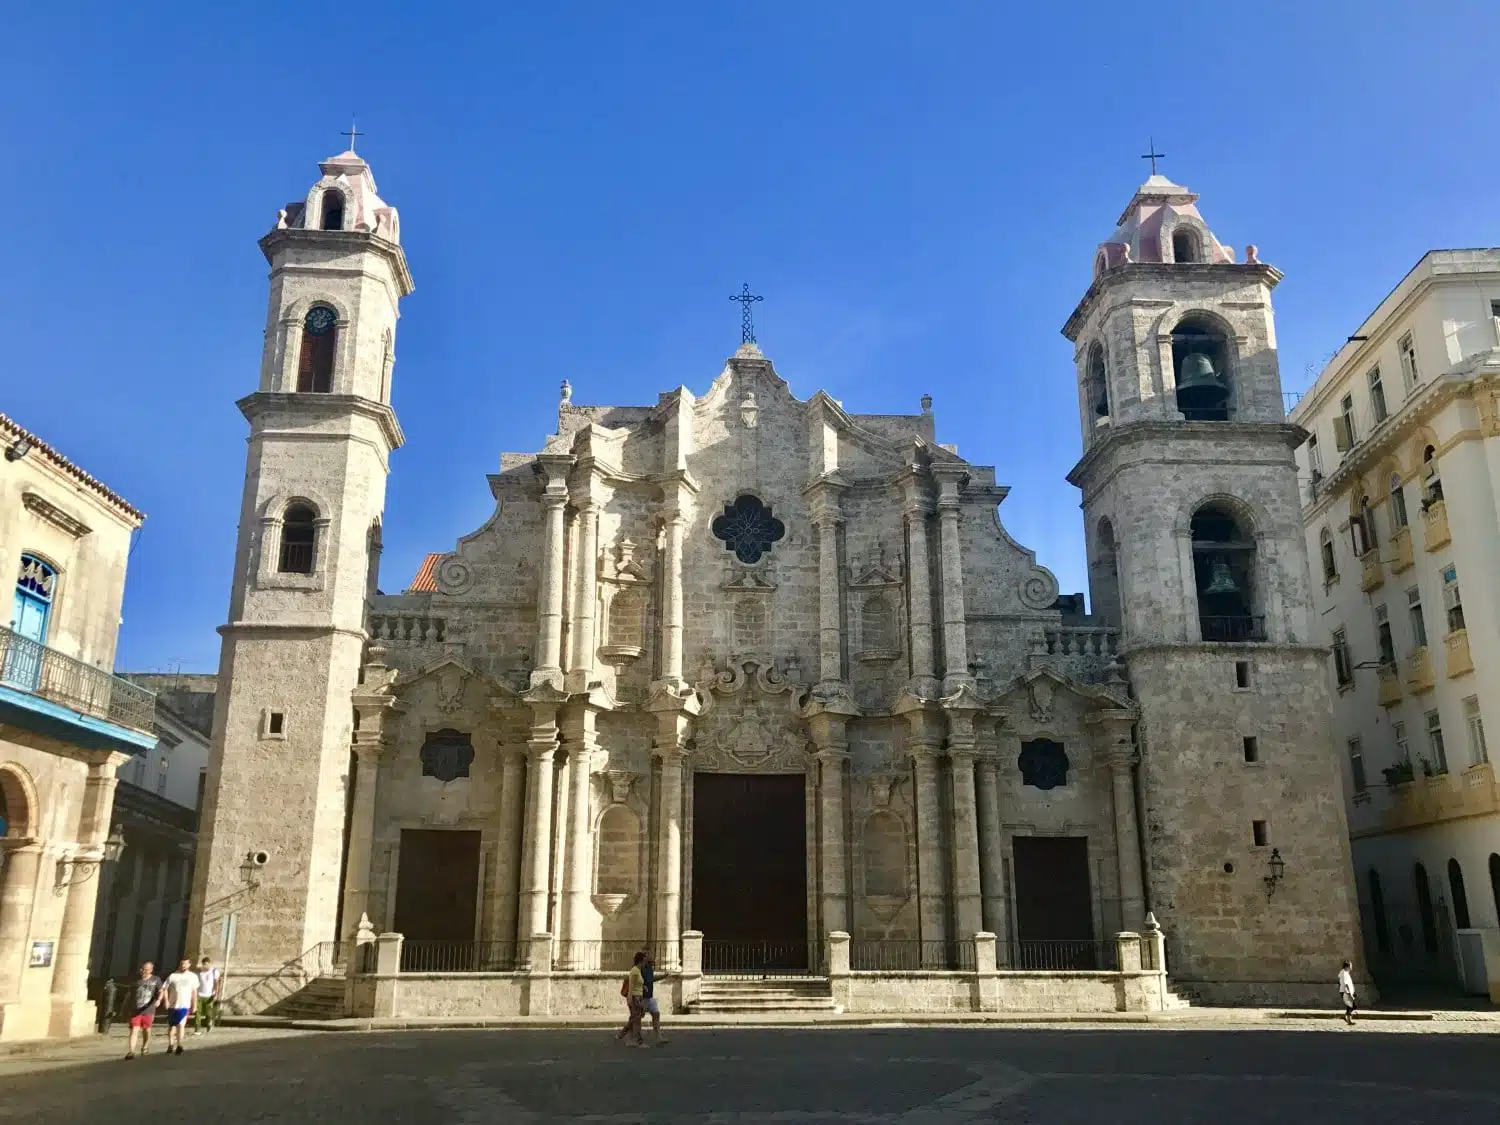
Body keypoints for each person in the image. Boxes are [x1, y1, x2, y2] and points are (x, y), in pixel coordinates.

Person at [125, 962, 164, 1060]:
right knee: (134, 1029)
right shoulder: (136, 980)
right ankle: (131, 1051)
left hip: (148, 1009)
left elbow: (161, 991)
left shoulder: (156, 980)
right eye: (142, 969)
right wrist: (126, 1008)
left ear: (151, 970)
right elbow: (129, 995)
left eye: (145, 969)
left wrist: (159, 1000)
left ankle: (145, 1045)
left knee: (146, 1029)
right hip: (136, 1010)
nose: (143, 971)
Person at [164, 958, 200, 1055]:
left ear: (189, 965)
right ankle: (171, 1044)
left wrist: (194, 1005)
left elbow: (194, 992)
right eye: (181, 963)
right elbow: (164, 989)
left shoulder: (193, 977)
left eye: (185, 964)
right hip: (173, 1005)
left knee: (181, 1025)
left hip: (185, 1004)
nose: (183, 965)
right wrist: (166, 1001)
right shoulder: (173, 976)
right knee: (172, 1026)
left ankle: (179, 1045)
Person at [614, 951, 646, 1047]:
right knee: (636, 1020)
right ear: (641, 961)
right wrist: (630, 998)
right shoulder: (635, 970)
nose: (646, 963)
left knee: (635, 1018)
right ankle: (638, 1041)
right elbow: (631, 985)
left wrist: (644, 987)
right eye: (644, 960)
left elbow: (637, 983)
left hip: (638, 996)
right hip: (635, 997)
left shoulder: (638, 971)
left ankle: (625, 1037)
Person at [641, 951, 667, 1046]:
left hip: (650, 997)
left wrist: (663, 977)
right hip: (643, 997)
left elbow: (651, 980)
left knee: (656, 1014)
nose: (654, 959)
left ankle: (659, 1037)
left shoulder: (650, 969)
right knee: (637, 1018)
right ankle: (625, 1033)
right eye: (651, 958)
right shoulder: (642, 969)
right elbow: (641, 981)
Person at [193, 956, 220, 1034]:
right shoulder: (200, 973)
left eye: (207, 964)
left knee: (208, 1012)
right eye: (204, 964)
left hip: (209, 995)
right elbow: (197, 984)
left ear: (210, 964)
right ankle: (197, 1029)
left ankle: (209, 1023)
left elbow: (217, 983)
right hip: (200, 995)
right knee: (198, 1012)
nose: (205, 966)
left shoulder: (214, 971)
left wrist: (216, 993)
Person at [1338, 960, 1357, 1025]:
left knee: (1352, 1006)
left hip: (1346, 991)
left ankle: (1346, 1016)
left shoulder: (1344, 972)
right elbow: (1346, 984)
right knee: (1351, 1006)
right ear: (1347, 966)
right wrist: (1349, 993)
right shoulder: (1344, 973)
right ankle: (1349, 1020)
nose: (1351, 967)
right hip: (1346, 992)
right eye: (1350, 965)